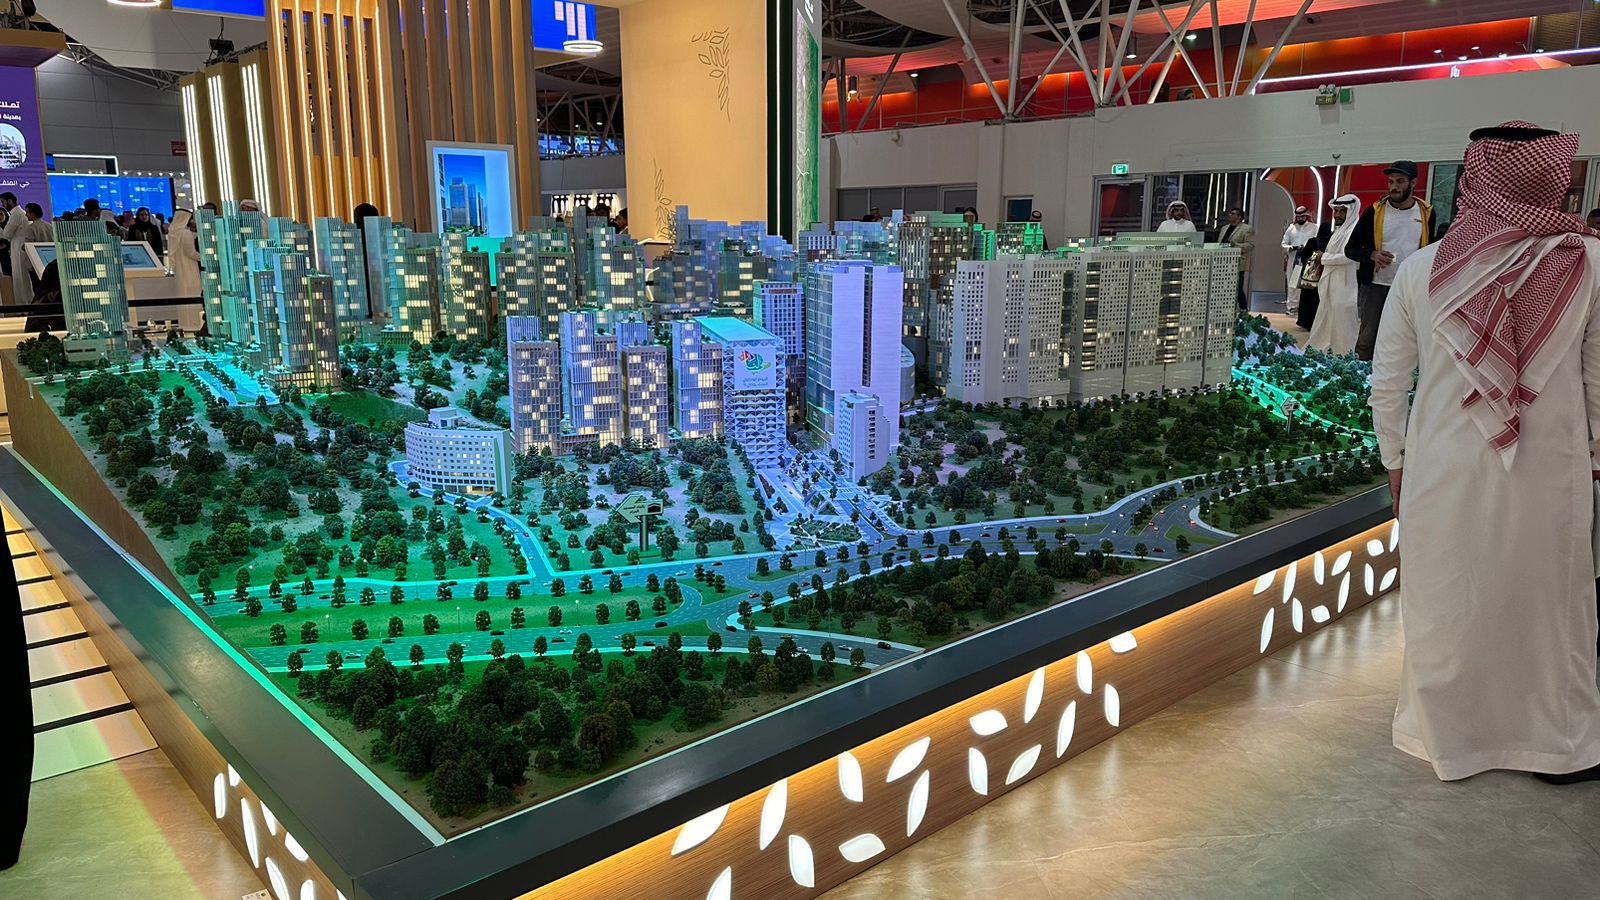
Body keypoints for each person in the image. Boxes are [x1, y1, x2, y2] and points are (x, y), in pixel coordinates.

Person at [1369, 121, 1600, 784]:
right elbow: (1597, 381)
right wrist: (1592, 458)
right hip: (1551, 466)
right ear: (1548, 179)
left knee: (1448, 597)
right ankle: (1556, 743)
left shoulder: (1423, 267)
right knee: (1546, 604)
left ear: (1476, 178)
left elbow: (1389, 382)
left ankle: (1445, 735)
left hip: (1440, 465)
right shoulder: (1588, 261)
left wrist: (1395, 462)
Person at [1344, 160, 1436, 360]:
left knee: (1405, 338)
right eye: (1391, 181)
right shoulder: (1374, 211)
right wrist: (1372, 255)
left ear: (1413, 183)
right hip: (1376, 286)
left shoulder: (1427, 213)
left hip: (1409, 287)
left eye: (1400, 181)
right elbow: (1350, 249)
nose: (1394, 187)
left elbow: (1429, 249)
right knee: (1368, 337)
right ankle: (1360, 374)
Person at [1306, 195, 1361, 354]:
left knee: (1343, 321)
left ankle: (1344, 354)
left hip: (1346, 282)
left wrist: (1324, 258)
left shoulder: (1354, 230)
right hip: (1331, 281)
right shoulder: (1340, 230)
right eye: (1336, 211)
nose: (1337, 215)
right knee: (1327, 317)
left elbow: (1350, 256)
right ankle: (1324, 351)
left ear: (1351, 211)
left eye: (1342, 211)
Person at [1295, 215, 1334, 332]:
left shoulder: (1313, 241)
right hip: (1325, 275)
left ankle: (1306, 322)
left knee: (1308, 299)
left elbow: (1304, 256)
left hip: (1310, 277)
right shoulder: (1332, 242)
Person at [1281, 206, 1319, 315]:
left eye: (1302, 216)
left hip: (1309, 260)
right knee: (1292, 283)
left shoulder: (1314, 228)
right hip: (1294, 259)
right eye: (1298, 217)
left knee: (1306, 284)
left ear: (1307, 216)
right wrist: (1292, 248)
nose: (1300, 218)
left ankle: (1304, 309)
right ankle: (1292, 307)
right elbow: (1283, 244)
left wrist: (1306, 248)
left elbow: (1317, 243)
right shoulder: (1291, 228)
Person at [1220, 207, 1255, 310]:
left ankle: (1243, 308)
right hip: (1222, 261)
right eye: (1230, 213)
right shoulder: (1224, 228)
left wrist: (1235, 245)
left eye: (1233, 213)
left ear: (1239, 216)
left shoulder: (1247, 229)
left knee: (1237, 288)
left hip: (1237, 262)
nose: (1230, 215)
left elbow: (1250, 245)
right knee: (1223, 287)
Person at [167, 208, 201, 298]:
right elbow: (191, 253)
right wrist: (204, 258)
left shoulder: (172, 233)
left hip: (179, 268)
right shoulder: (185, 233)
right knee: (192, 292)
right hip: (189, 267)